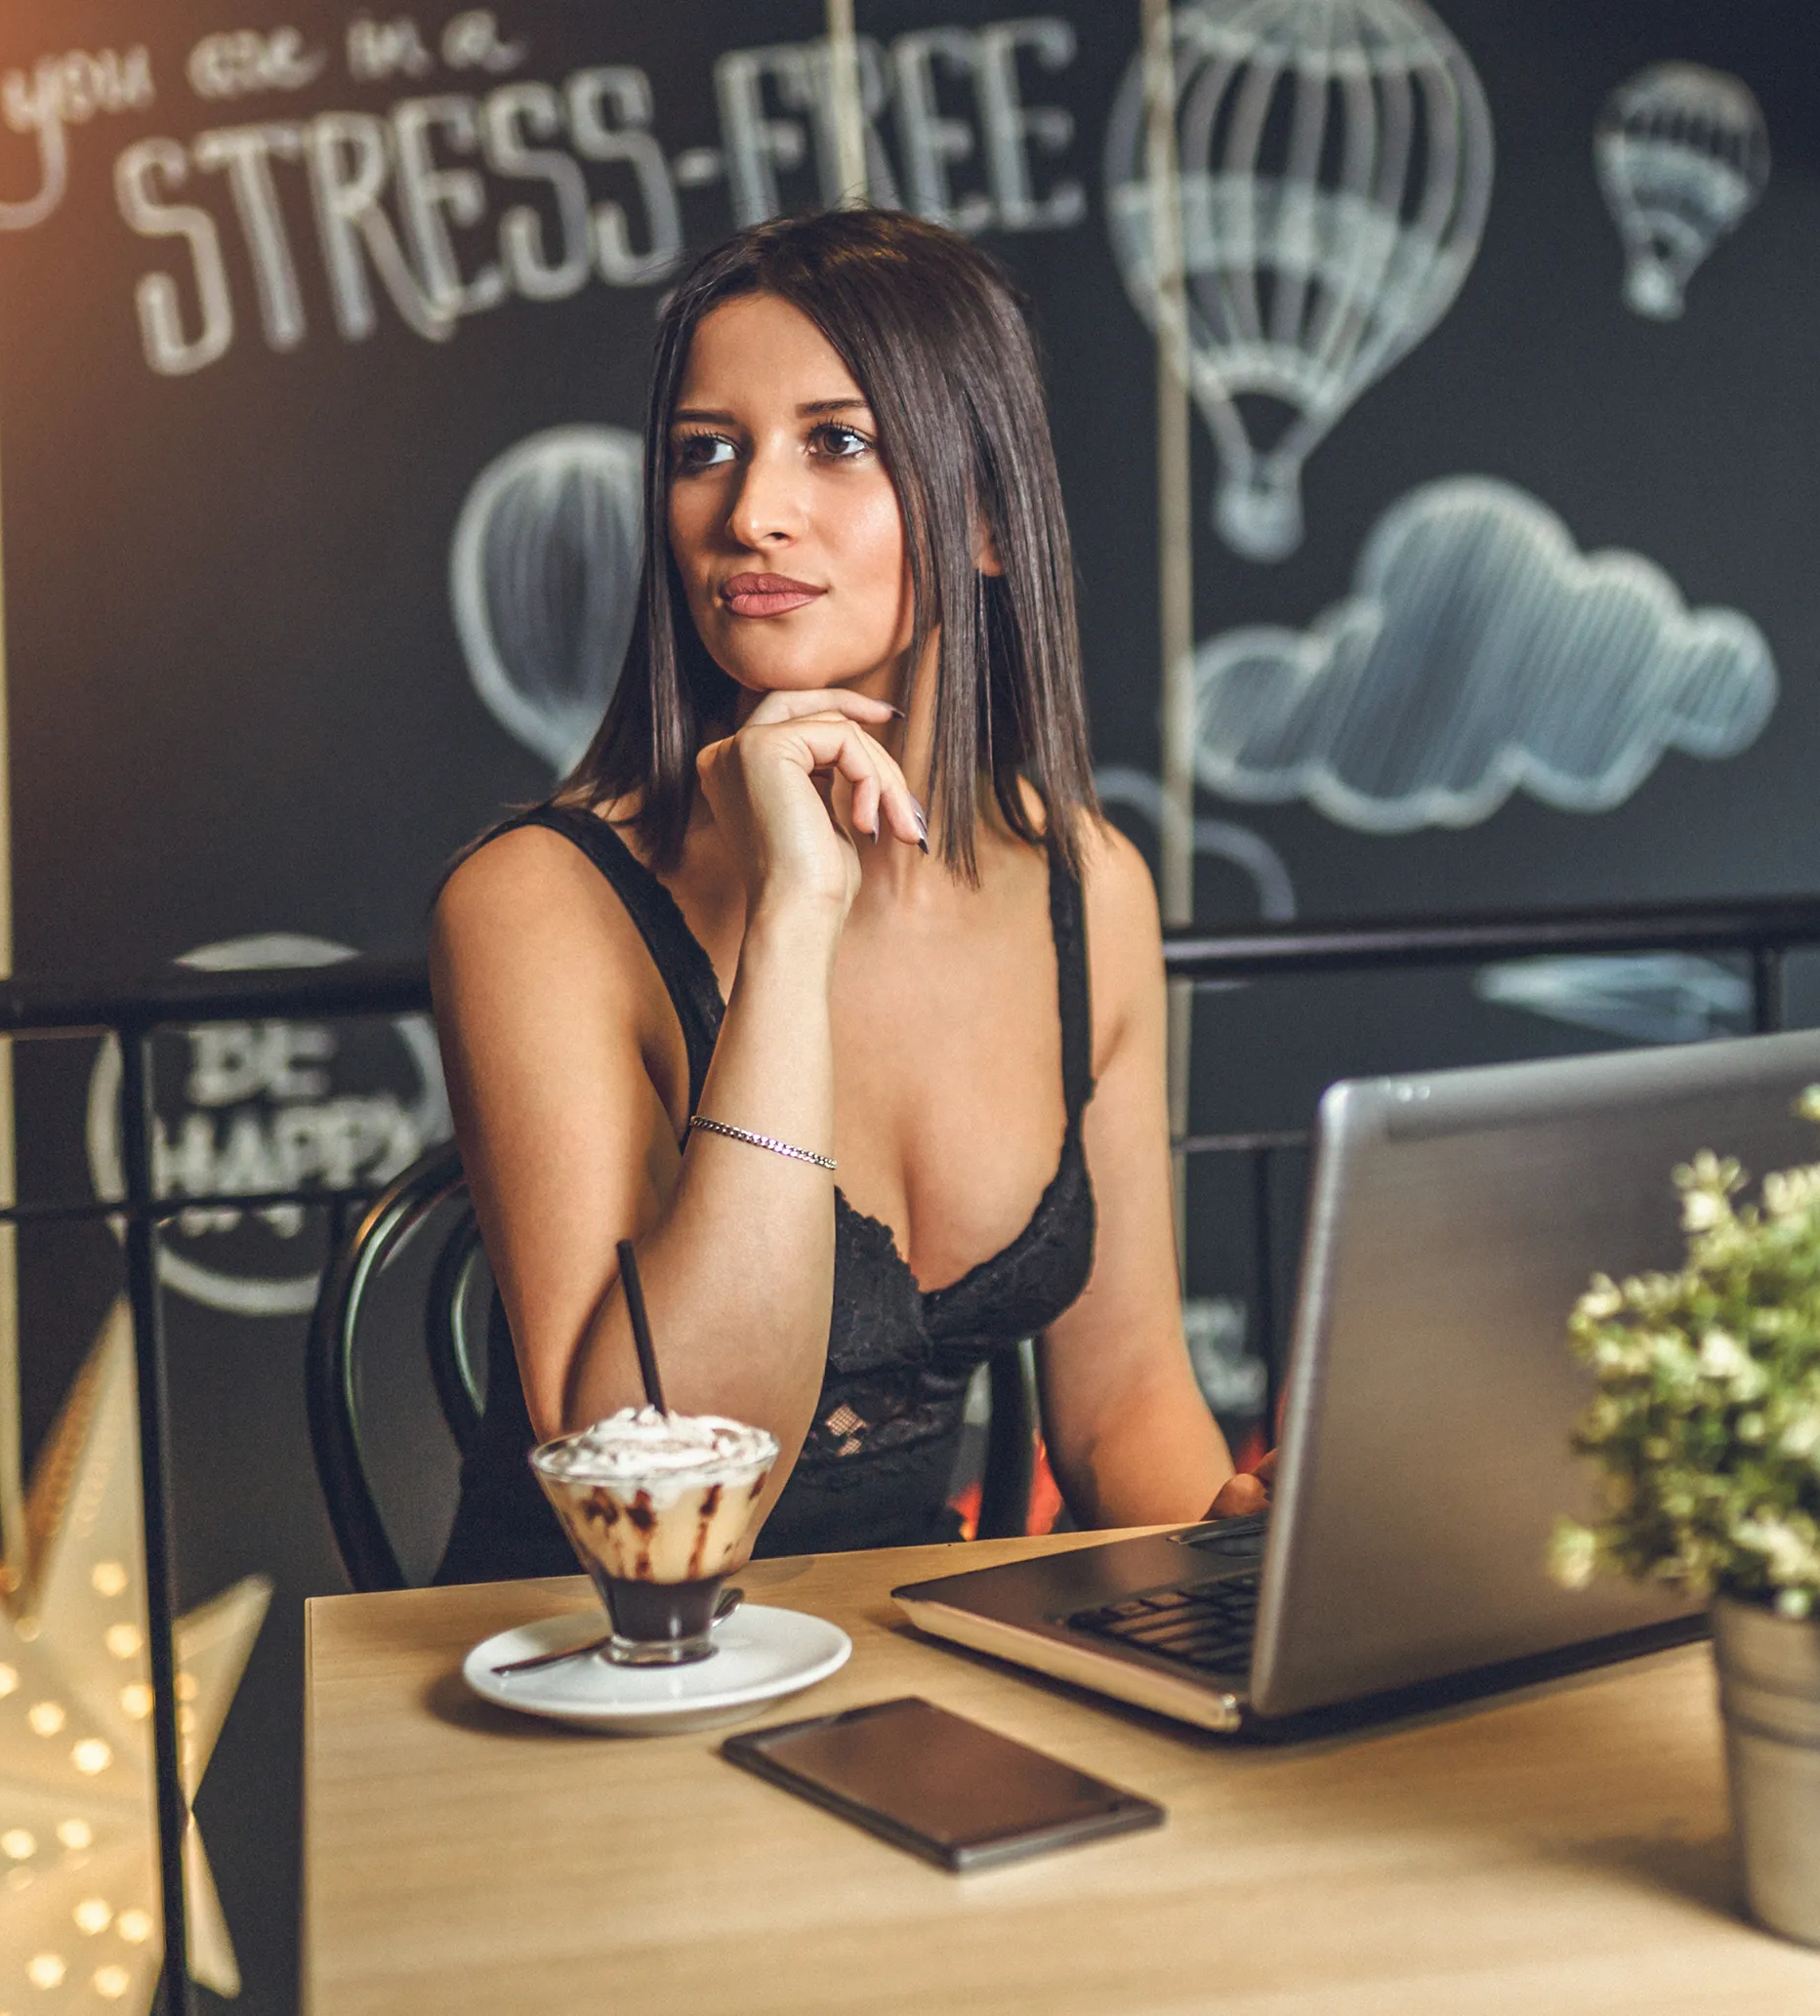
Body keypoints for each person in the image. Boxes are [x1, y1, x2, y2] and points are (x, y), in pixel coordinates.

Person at [431, 209, 1269, 1582]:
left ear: (989, 518)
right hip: (594, 1674)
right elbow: (661, 1494)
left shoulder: (1089, 888)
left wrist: (1250, 1531)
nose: (750, 510)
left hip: (904, 1674)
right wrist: (792, 921)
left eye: (839, 441)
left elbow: (1122, 1414)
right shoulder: (536, 902)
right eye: (707, 450)